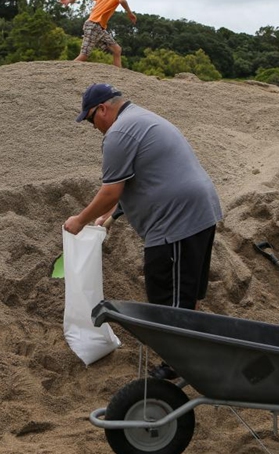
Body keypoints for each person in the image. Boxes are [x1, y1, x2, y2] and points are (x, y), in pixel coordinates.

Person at [63, 83, 223, 379]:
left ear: (103, 109)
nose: (92, 126)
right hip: (199, 212)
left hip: (176, 221)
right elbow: (145, 179)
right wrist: (110, 218)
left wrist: (80, 220)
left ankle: (178, 366)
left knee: (167, 298)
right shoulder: (140, 118)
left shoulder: (119, 133)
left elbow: (111, 191)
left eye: (90, 119)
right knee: (186, 295)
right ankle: (188, 355)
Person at [60, 0, 137, 68]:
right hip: (94, 25)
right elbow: (122, 1)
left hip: (95, 26)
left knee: (117, 50)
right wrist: (129, 13)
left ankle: (118, 75)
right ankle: (65, 70)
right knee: (84, 56)